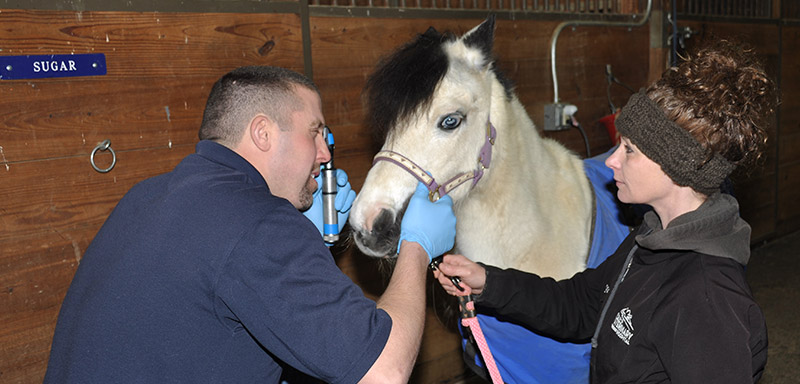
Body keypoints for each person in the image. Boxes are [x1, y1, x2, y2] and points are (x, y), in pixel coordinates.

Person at [44, 66, 457, 383]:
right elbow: (383, 371)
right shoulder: (258, 222)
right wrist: (416, 246)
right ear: (262, 133)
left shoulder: (148, 194)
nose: (324, 154)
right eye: (314, 133)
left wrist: (307, 236)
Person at [433, 40, 775, 383]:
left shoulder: (707, 301)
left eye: (629, 150)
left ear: (675, 167)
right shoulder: (651, 237)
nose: (611, 160)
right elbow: (581, 304)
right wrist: (489, 282)